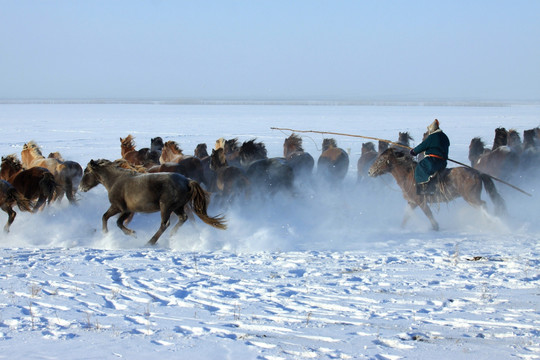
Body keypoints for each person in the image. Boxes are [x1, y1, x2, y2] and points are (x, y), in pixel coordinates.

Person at [409, 119, 450, 195]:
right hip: (443, 162)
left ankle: (424, 187)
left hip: (433, 161)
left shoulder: (432, 137)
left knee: (419, 168)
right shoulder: (445, 137)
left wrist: (414, 151)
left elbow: (423, 146)